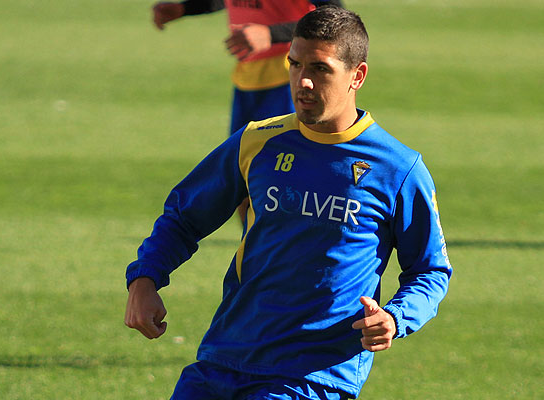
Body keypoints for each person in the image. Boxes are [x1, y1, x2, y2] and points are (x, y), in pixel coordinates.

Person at [125, 6, 452, 400]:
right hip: (222, 358)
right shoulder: (258, 141)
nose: (303, 82)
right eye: (295, 65)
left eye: (320, 69)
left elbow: (430, 270)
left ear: (357, 76)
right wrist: (145, 279)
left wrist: (396, 318)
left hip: (309, 379)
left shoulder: (397, 168)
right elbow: (184, 216)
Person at [151, 0, 343, 222]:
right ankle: (253, 249)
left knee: (291, 180)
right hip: (248, 77)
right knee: (243, 175)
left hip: (289, 78)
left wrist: (271, 34)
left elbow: (336, 14)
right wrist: (187, 8)